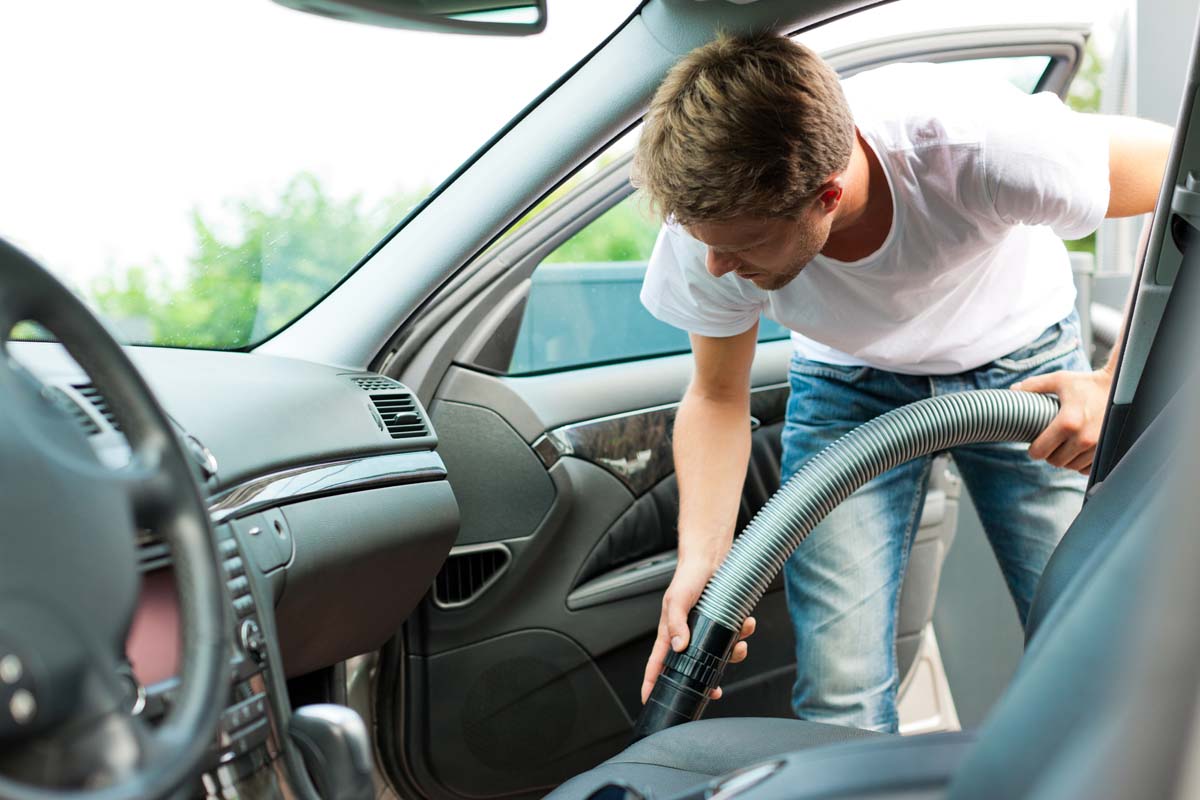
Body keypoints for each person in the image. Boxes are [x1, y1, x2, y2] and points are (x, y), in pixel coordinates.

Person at [635, 32, 1172, 733]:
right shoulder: (710, 226)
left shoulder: (980, 143)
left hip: (1024, 367)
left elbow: (1177, 173)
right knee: (838, 691)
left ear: (826, 196)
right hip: (845, 383)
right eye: (704, 242)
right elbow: (715, 394)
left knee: (1093, 644)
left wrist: (1112, 379)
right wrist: (704, 561)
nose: (712, 267)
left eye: (738, 247)